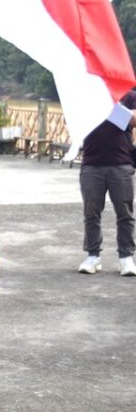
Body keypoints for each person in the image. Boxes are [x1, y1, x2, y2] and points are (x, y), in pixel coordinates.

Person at [77, 90, 136, 276]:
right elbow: (73, 120)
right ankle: (93, 256)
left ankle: (126, 257)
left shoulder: (129, 96)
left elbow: (133, 121)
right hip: (91, 162)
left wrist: (110, 106)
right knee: (91, 212)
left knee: (125, 213)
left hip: (121, 162)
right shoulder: (87, 93)